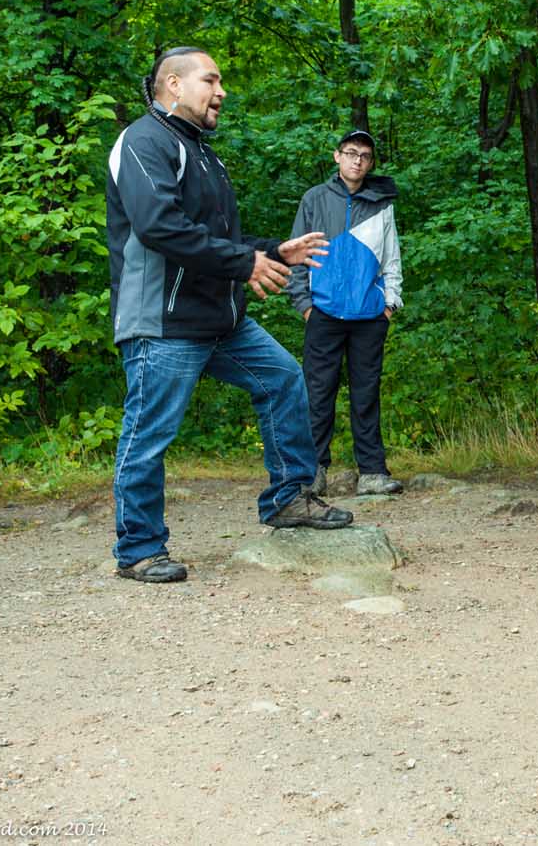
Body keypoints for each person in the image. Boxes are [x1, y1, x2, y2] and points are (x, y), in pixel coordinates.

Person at [106, 47, 353, 584]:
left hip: (219, 318)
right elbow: (159, 227)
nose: (221, 92)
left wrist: (271, 251)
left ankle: (289, 498)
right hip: (162, 320)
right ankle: (139, 549)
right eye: (211, 81)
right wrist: (245, 263)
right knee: (148, 433)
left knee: (284, 380)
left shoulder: (203, 153)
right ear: (172, 84)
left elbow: (215, 241)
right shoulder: (144, 141)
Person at [287, 129, 404, 497]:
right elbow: (296, 257)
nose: (357, 160)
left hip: (369, 316)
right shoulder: (314, 199)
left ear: (370, 163)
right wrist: (305, 306)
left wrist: (390, 304)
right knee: (317, 394)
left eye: (365, 156)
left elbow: (392, 258)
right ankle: (313, 471)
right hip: (323, 313)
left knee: (366, 393)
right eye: (351, 153)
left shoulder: (381, 203)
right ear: (337, 156)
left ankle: (371, 472)